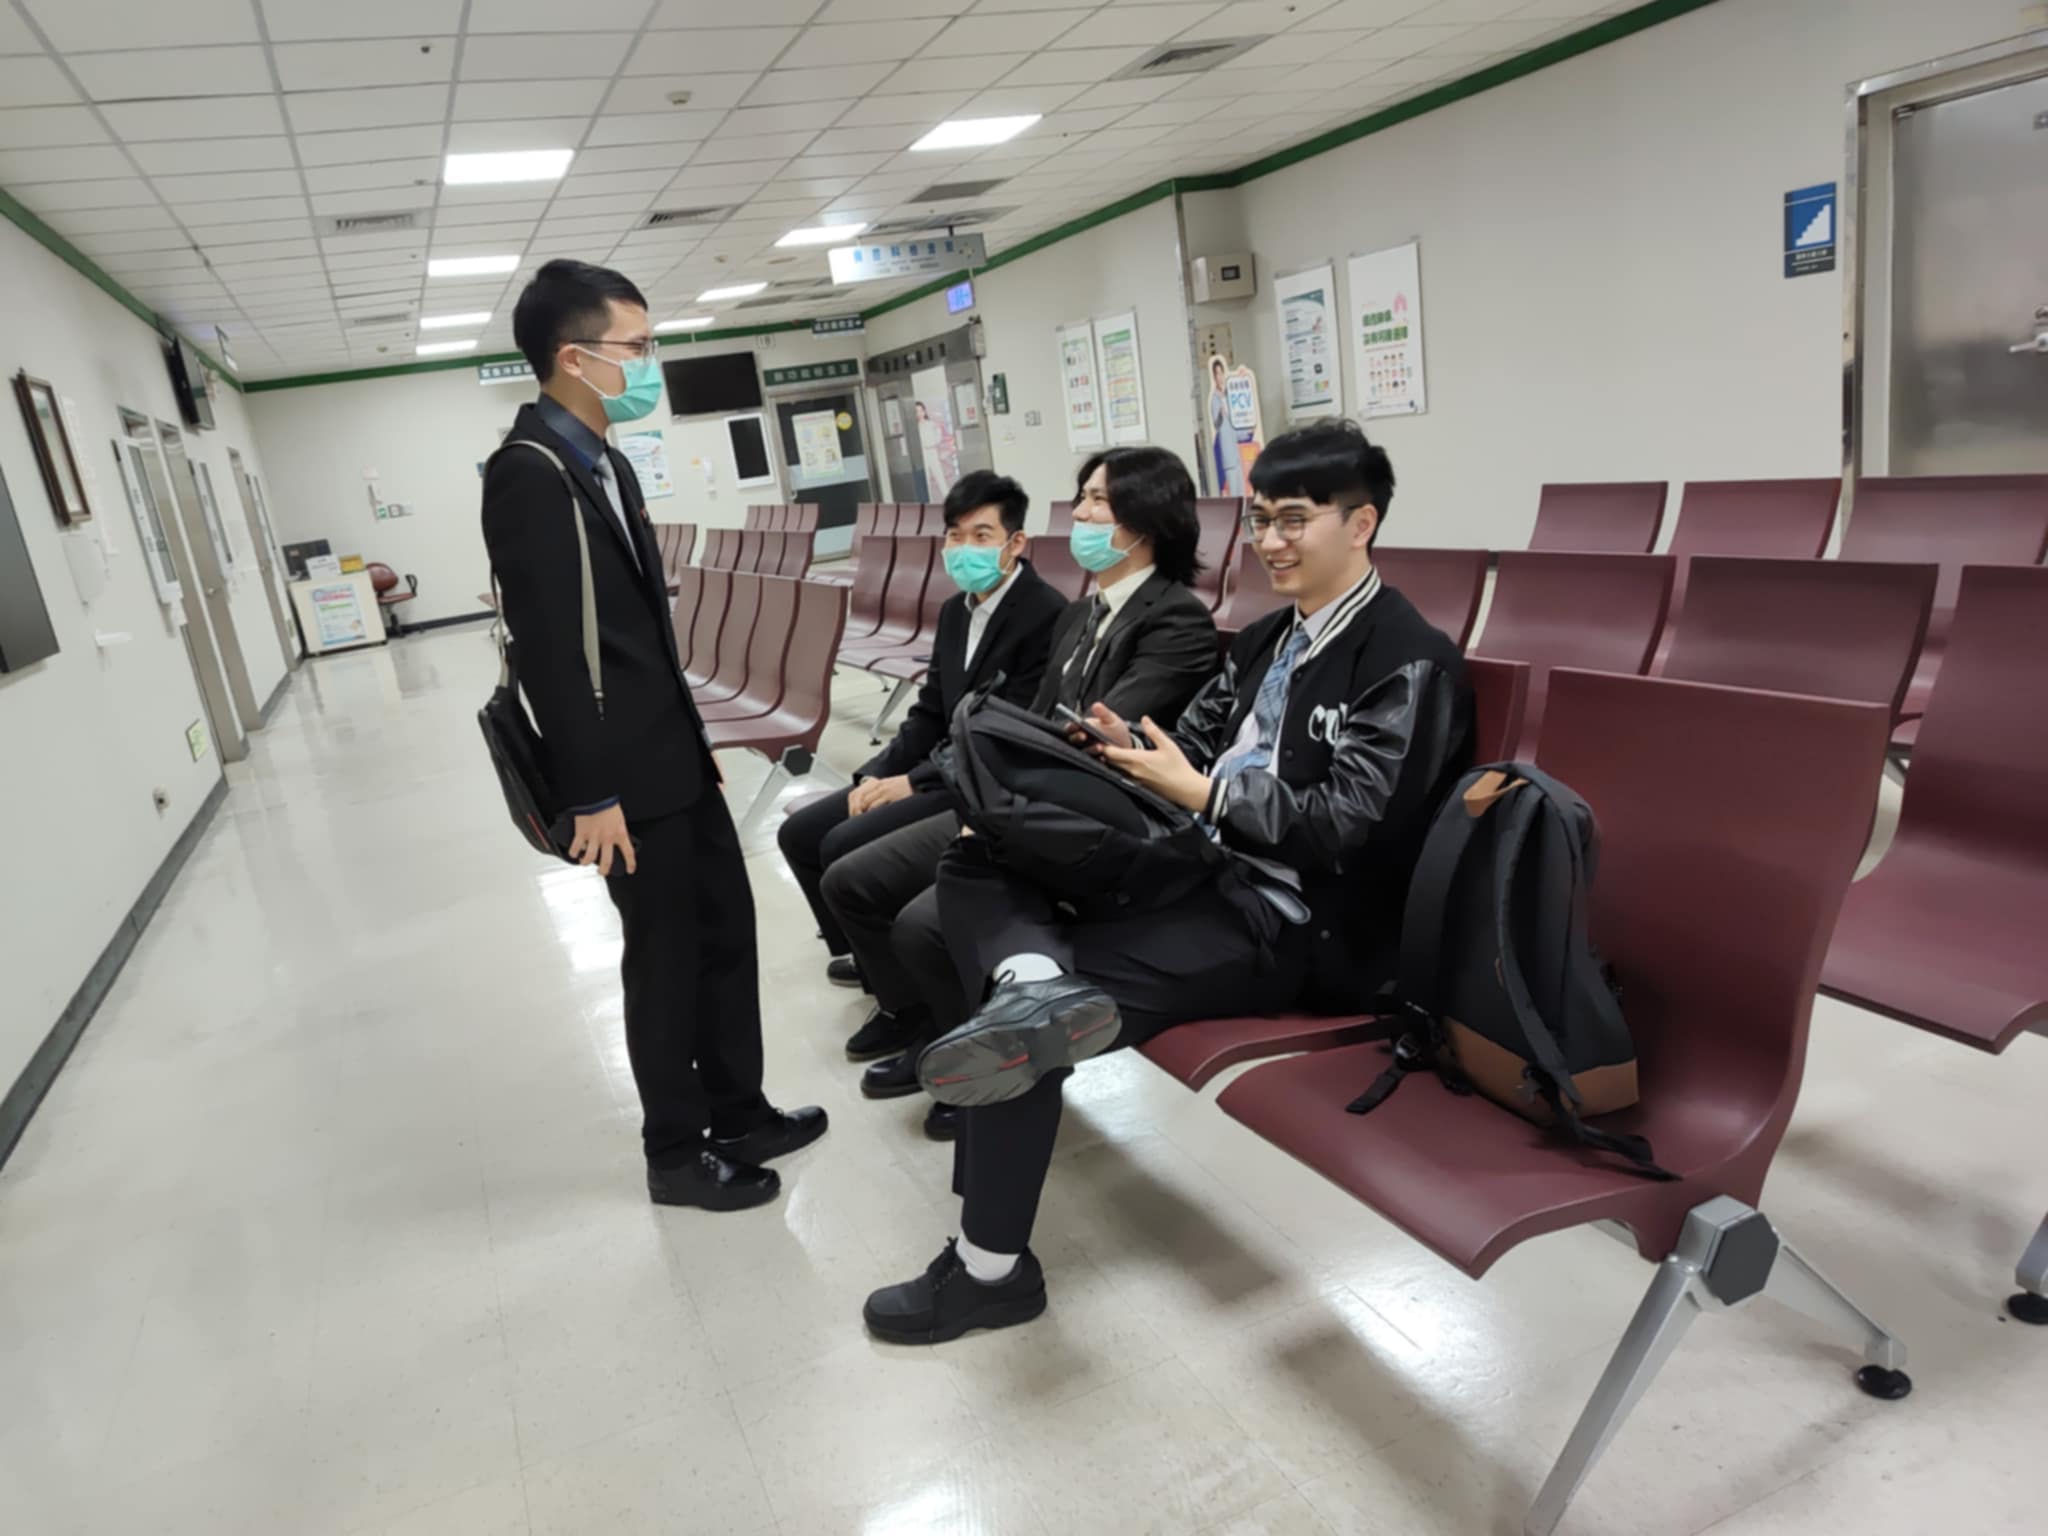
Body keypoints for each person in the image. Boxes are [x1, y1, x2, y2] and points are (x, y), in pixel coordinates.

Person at [863, 418, 1473, 1342]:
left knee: (1013, 1032)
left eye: (1295, 520)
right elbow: (1192, 743)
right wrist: (1133, 750)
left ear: (1362, 524)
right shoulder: (1267, 640)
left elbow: (1351, 826)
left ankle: (991, 1271)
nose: (1271, 541)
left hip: (1292, 922)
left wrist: (1207, 792)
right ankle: (1031, 978)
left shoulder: (1406, 659)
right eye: (1261, 519)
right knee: (983, 849)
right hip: (1199, 868)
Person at [481, 259, 825, 1213]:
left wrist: (691, 732)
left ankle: (740, 1112)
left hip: (670, 753)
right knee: (665, 959)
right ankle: (675, 1152)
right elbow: (553, 650)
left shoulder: (604, 458)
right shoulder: (530, 473)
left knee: (725, 934)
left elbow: (637, 634)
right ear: (573, 357)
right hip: (620, 779)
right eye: (635, 346)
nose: (648, 362)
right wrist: (592, 793)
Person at [818, 446, 1221, 1131]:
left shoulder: (1175, 620)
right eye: (1083, 496)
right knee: (852, 878)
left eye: (1098, 500)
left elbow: (1092, 747)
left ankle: (985, 1075)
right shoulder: (1081, 614)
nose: (1082, 513)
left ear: (1148, 518)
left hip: (1093, 828)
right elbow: (1028, 726)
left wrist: (988, 805)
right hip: (1023, 808)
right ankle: (929, 1026)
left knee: (922, 924)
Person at [776, 468, 1065, 1062]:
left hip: (976, 781)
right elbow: (930, 710)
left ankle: (906, 1008)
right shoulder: (957, 611)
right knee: (800, 833)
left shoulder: (1044, 613)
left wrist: (911, 783)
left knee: (843, 846)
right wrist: (875, 774)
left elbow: (1002, 732)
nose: (964, 549)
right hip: (935, 766)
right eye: (955, 535)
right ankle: (874, 964)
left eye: (981, 535)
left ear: (1015, 543)